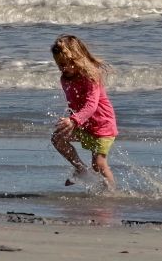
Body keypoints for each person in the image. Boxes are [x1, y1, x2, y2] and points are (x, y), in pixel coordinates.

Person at [50, 34, 118, 190]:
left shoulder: (91, 76)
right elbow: (72, 102)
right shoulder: (65, 79)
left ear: (76, 58)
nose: (62, 68)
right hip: (84, 123)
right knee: (57, 138)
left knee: (99, 164)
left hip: (103, 125)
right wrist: (69, 120)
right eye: (59, 64)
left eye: (66, 63)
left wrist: (73, 120)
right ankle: (80, 169)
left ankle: (112, 193)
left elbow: (91, 105)